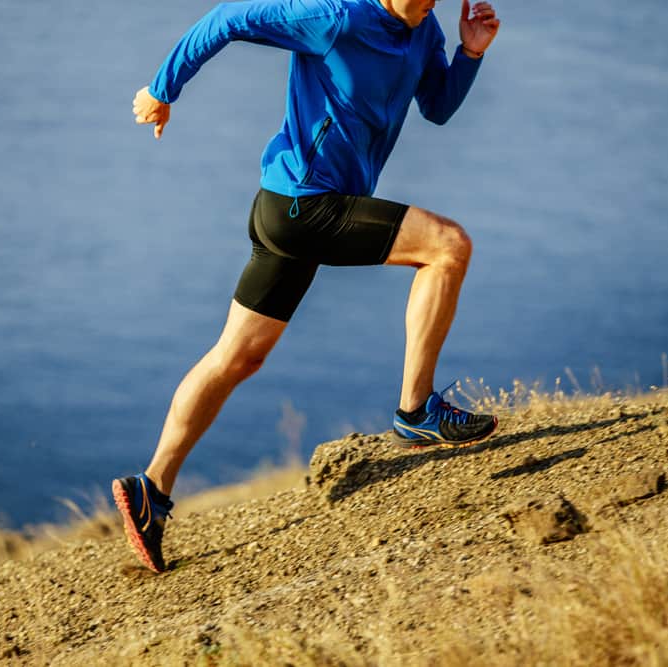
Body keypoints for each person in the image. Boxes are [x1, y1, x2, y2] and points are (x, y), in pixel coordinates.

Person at [113, 0, 501, 573]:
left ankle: (152, 489)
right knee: (448, 246)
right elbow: (228, 19)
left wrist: (469, 53)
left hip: (297, 209)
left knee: (237, 357)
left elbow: (437, 107)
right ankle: (416, 409)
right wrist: (162, 89)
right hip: (303, 206)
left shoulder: (424, 31)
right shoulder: (335, 16)